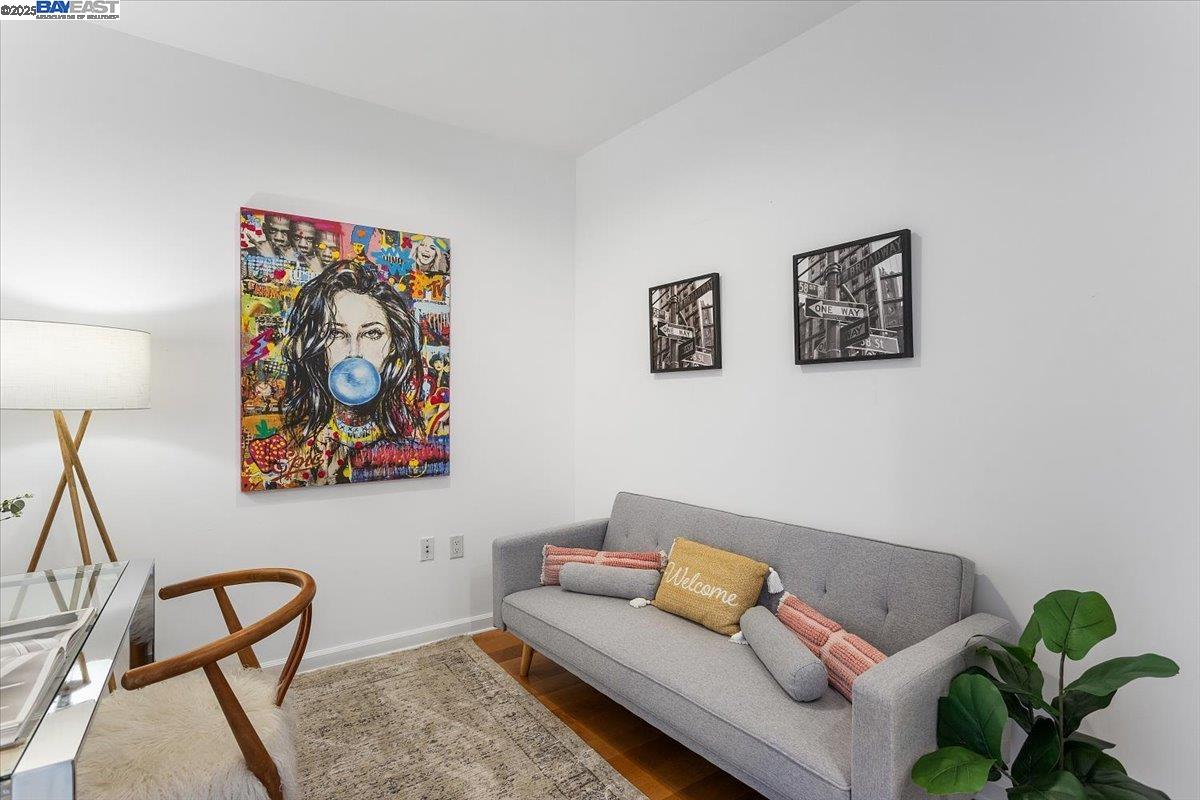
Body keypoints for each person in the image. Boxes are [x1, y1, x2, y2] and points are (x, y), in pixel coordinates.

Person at [280, 260, 425, 485]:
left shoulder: (414, 435)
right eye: (336, 334)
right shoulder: (296, 438)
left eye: (372, 333)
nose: (354, 352)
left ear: (394, 345)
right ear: (317, 347)